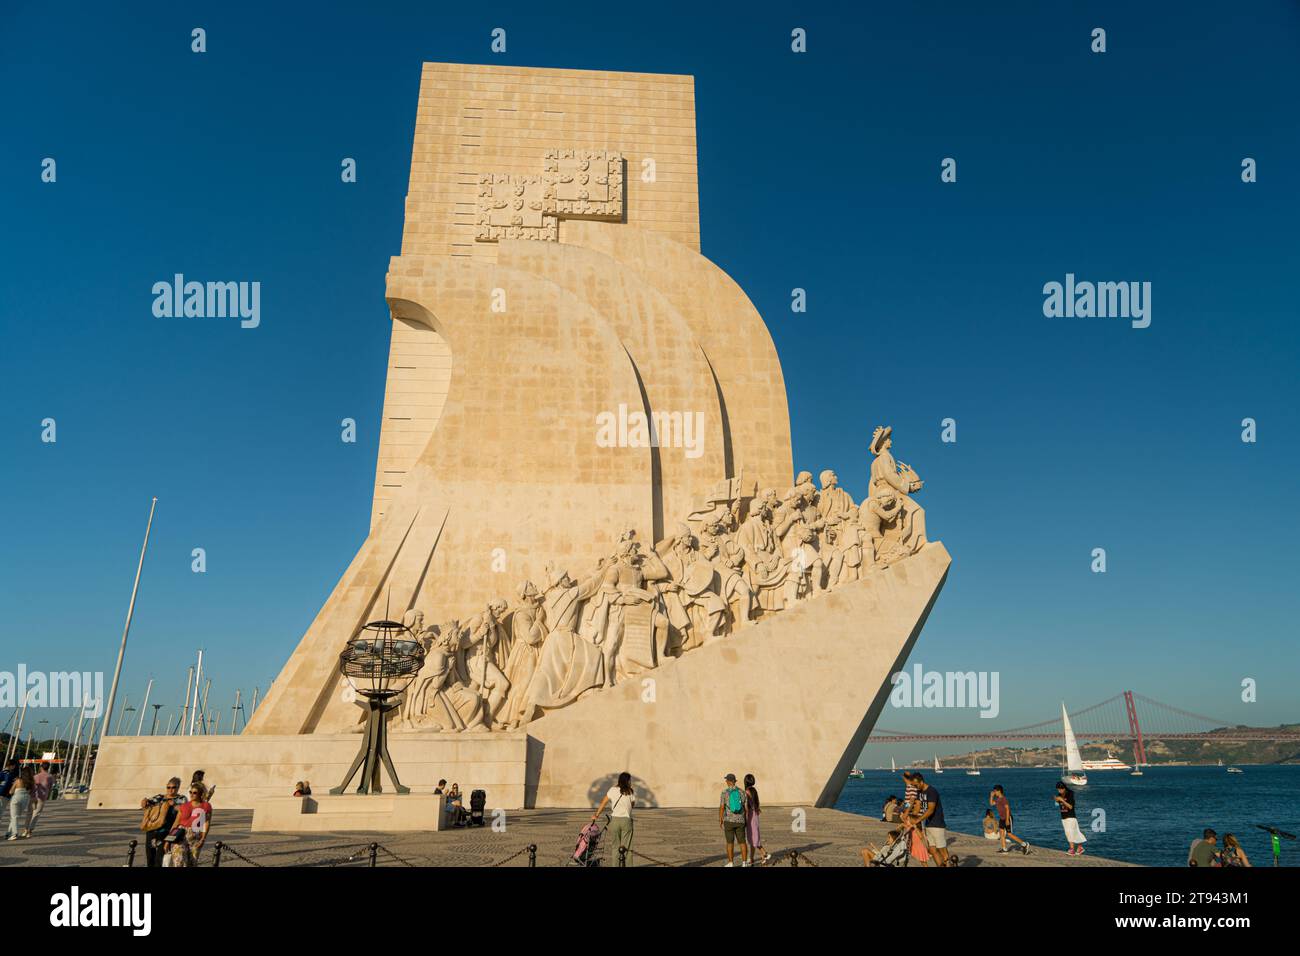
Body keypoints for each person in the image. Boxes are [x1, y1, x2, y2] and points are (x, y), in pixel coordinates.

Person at [592, 771, 636, 865]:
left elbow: (603, 802)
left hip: (615, 821)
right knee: (627, 847)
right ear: (628, 781)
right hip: (626, 821)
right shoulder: (630, 791)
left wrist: (596, 814)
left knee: (615, 847)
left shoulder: (612, 790)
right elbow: (632, 805)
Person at [140, 777, 184, 867]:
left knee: (160, 857)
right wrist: (144, 802)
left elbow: (184, 811)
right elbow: (147, 805)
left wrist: (175, 805)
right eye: (168, 787)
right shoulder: (159, 797)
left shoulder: (181, 798)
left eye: (173, 787)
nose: (170, 790)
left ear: (178, 788)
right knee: (150, 856)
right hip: (152, 829)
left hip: (166, 832)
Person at [168, 781, 212, 866]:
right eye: (190, 792)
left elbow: (206, 823)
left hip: (196, 837)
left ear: (200, 794)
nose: (191, 794)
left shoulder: (206, 806)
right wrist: (168, 840)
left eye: (194, 793)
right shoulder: (184, 806)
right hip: (181, 835)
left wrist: (203, 839)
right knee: (179, 861)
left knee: (192, 863)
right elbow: (176, 823)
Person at [912, 773, 950, 866]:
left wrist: (918, 820)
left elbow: (931, 809)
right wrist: (909, 817)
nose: (915, 787)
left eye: (916, 785)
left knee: (942, 851)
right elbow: (917, 807)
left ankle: (948, 864)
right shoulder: (919, 792)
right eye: (913, 786)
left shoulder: (931, 791)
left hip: (937, 824)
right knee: (932, 850)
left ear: (921, 782)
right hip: (928, 824)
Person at [719, 772, 750, 867]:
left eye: (726, 780)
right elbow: (746, 808)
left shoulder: (725, 793)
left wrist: (720, 819)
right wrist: (746, 820)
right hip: (740, 820)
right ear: (734, 781)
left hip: (729, 821)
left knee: (729, 842)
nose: (726, 781)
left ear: (728, 781)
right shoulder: (742, 792)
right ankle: (744, 863)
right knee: (742, 842)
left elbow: (722, 807)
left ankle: (731, 862)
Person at [989, 784, 1031, 855]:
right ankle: (1004, 849)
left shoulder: (1003, 799)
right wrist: (991, 796)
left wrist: (1007, 820)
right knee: (1002, 834)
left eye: (995, 791)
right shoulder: (998, 799)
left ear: (999, 791)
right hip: (1002, 819)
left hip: (1007, 818)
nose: (994, 792)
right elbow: (991, 803)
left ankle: (1024, 844)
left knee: (1009, 834)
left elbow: (1007, 809)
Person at [1054, 780, 1087, 856]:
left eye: (1060, 789)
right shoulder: (1059, 794)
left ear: (1064, 788)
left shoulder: (1070, 794)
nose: (1059, 790)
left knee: (1070, 833)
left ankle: (1072, 850)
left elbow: (1070, 806)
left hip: (1071, 816)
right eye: (1058, 789)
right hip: (1063, 817)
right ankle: (1080, 848)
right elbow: (1057, 805)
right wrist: (1056, 800)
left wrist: (1062, 800)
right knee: (1074, 832)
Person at [744, 773, 768, 864]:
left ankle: (764, 853)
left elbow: (746, 806)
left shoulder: (746, 791)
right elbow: (756, 803)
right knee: (753, 837)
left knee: (753, 838)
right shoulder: (754, 790)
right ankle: (753, 858)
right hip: (755, 815)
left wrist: (745, 819)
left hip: (750, 816)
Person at [6, 764, 34, 840]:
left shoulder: (18, 780)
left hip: (16, 798)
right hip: (26, 799)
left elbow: (11, 792)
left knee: (14, 817)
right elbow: (31, 792)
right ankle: (8, 832)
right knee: (16, 817)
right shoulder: (31, 782)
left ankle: (14, 834)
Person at [0, 757, 17, 822]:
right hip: (4, 794)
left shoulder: (2, 772)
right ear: (12, 766)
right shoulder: (9, 774)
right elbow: (7, 783)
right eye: (14, 766)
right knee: (1, 810)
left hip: (1, 792)